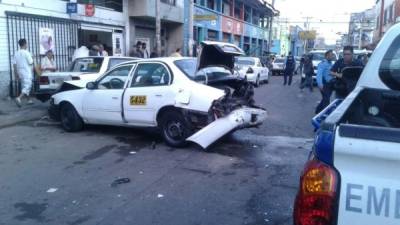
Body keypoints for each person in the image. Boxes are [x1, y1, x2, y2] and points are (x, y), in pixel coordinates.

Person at [13, 38, 34, 107]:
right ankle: (19, 98)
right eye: (26, 43)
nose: (27, 45)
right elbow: (31, 63)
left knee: (24, 86)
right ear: (25, 44)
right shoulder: (26, 52)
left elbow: (14, 64)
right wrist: (32, 58)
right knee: (28, 86)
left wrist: (16, 74)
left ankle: (29, 100)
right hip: (27, 72)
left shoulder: (16, 53)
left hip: (20, 73)